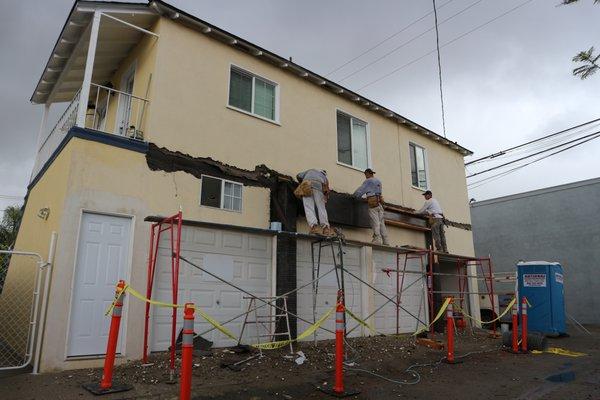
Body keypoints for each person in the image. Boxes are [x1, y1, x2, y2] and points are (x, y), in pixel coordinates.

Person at [353, 168, 389, 245]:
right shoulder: (378, 181)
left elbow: (361, 190)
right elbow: (375, 192)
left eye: (365, 174)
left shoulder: (368, 181)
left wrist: (354, 196)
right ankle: (386, 241)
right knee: (381, 223)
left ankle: (377, 239)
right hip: (380, 204)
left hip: (373, 204)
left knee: (375, 221)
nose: (365, 176)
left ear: (368, 173)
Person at [296, 169, 334, 236]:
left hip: (306, 185)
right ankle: (326, 229)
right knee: (321, 208)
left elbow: (298, 175)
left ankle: (313, 227)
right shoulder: (324, 177)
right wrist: (325, 197)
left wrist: (300, 183)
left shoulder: (309, 171)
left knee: (309, 207)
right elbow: (327, 190)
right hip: (318, 186)